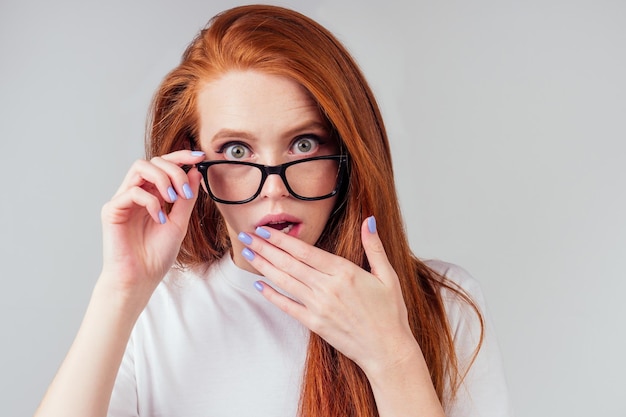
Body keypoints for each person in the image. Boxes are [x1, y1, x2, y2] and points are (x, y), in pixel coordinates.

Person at [34, 4, 512, 417]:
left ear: (348, 154)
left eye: (303, 144)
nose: (274, 191)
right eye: (238, 152)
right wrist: (119, 290)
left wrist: (392, 356)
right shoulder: (154, 312)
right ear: (192, 162)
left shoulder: (443, 304)